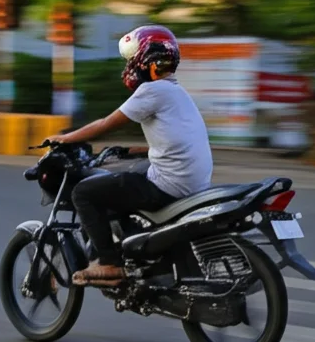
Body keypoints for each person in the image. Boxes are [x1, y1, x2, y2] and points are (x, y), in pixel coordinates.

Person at [44, 24, 213, 285]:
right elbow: (177, 140)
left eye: (132, 59)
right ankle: (137, 246)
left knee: (85, 192)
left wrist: (63, 138)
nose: (130, 65)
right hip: (192, 182)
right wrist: (136, 151)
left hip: (169, 184)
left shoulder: (152, 91)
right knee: (127, 177)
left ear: (145, 59)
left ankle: (109, 263)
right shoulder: (177, 93)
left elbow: (104, 125)